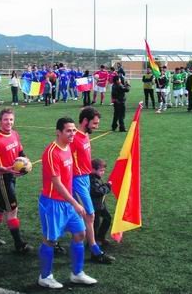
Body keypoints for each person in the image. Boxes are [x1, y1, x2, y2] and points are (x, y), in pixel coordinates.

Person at [38, 117, 97, 289]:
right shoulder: (51, 152)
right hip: (52, 203)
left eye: (73, 130)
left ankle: (77, 274)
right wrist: (75, 203)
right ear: (58, 132)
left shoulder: (69, 147)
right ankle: (45, 277)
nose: (72, 134)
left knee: (80, 234)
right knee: (50, 240)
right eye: (68, 131)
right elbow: (57, 183)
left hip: (67, 203)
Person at [0, 108, 32, 252]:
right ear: (0, 121)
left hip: (11, 175)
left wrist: (25, 163)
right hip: (1, 177)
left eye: (11, 119)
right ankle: (19, 244)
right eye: (6, 119)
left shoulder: (15, 134)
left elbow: (20, 152)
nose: (9, 122)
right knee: (12, 209)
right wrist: (4, 168)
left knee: (0, 206)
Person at [71, 107, 115, 264]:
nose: (96, 126)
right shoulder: (74, 137)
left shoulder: (85, 136)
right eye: (94, 123)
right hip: (77, 181)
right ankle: (95, 251)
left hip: (85, 179)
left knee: (88, 216)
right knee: (88, 216)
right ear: (85, 121)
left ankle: (93, 249)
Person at [90, 158, 112, 247]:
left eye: (103, 170)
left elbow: (100, 187)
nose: (103, 172)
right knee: (95, 224)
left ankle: (100, 237)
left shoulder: (97, 177)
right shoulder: (91, 179)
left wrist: (105, 185)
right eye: (101, 170)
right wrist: (108, 186)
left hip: (100, 204)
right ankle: (93, 241)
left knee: (107, 218)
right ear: (93, 169)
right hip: (94, 206)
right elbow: (98, 191)